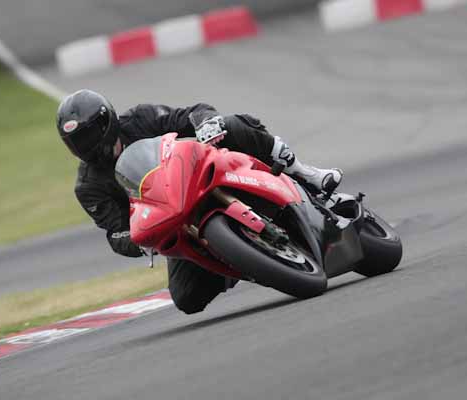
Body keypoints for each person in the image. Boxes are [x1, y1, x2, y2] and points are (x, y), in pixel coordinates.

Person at [56, 89, 342, 314]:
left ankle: (306, 174)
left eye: (88, 135)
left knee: (232, 125)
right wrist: (138, 241)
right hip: (173, 221)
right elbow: (115, 233)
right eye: (76, 142)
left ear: (106, 122)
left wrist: (207, 122)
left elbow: (190, 113)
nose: (85, 146)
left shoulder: (140, 119)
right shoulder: (89, 187)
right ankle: (239, 258)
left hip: (199, 174)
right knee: (186, 298)